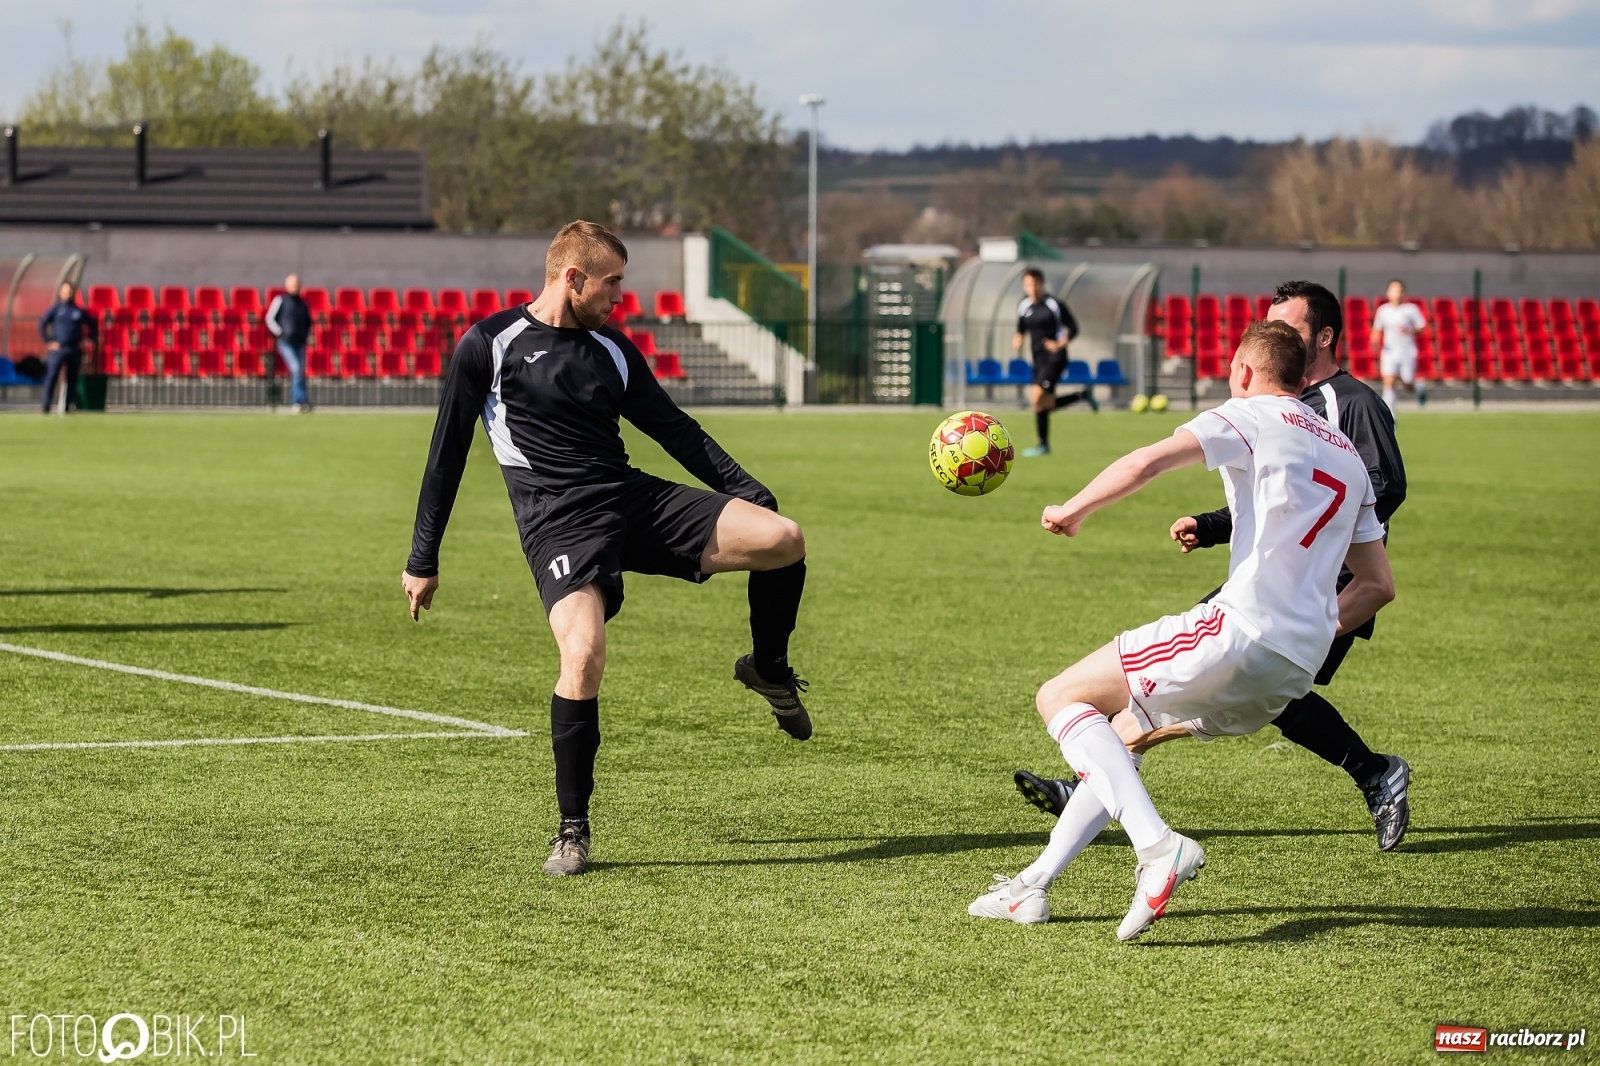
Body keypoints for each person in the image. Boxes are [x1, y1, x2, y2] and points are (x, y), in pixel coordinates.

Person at [401, 220, 811, 878]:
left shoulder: (612, 349)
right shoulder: (489, 345)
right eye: (612, 283)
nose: (621, 297)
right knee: (584, 654)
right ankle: (572, 830)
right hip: (558, 523)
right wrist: (423, 558)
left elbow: (674, 429)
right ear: (573, 278)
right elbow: (445, 455)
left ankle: (768, 667)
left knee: (781, 538)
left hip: (629, 499)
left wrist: (749, 491)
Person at [970, 320, 1395, 938]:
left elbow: (1147, 461)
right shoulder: (1347, 455)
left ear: (1244, 370)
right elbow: (1378, 585)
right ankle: (1030, 889)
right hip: (1295, 667)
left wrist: (1073, 510)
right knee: (1123, 735)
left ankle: (1158, 846)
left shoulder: (1251, 414)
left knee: (1059, 697)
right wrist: (1308, 630)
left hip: (1240, 630)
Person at [1013, 268, 1091, 458]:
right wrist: (1018, 340)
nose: (1032, 288)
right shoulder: (1024, 306)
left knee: (1037, 399)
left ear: (1042, 284)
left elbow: (1073, 328)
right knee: (1043, 404)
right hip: (1038, 360)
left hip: (1055, 358)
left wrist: (1060, 343)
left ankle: (1043, 444)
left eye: (1035, 284)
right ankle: (1081, 396)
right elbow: (1021, 329)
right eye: (1028, 284)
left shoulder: (1054, 304)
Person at [37, 281, 97, 414]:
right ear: (61, 292)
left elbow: (93, 325)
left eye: (70, 291)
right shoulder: (56, 309)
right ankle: (46, 405)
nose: (68, 293)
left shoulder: (78, 310)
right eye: (65, 290)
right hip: (58, 349)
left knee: (72, 378)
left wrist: (87, 340)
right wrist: (48, 341)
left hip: (74, 348)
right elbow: (42, 324)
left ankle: (69, 405)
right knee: (52, 376)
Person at [1371, 279, 1427, 412]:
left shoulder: (1411, 309)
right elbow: (1377, 329)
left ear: (1403, 293)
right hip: (1389, 352)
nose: (1396, 294)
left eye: (1399, 291)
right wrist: (1374, 340)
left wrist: (1410, 330)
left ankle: (1419, 389)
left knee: (1407, 383)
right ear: (1388, 293)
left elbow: (1422, 327)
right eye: (1394, 290)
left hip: (1407, 351)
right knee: (1389, 383)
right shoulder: (1383, 310)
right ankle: (1390, 416)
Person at [265, 275, 312, 412]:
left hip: (300, 342)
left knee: (300, 372)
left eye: (297, 284)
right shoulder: (281, 300)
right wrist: (280, 333)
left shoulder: (303, 303)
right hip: (286, 342)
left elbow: (308, 321)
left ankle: (303, 401)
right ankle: (297, 401)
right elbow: (270, 318)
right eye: (293, 284)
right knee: (296, 369)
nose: (295, 286)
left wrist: (305, 334)